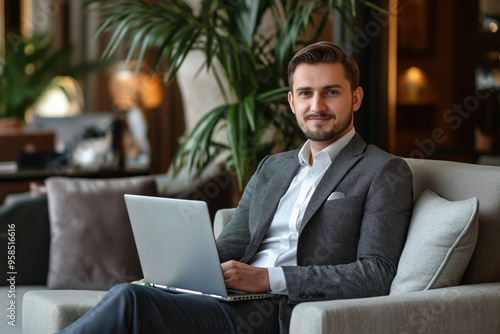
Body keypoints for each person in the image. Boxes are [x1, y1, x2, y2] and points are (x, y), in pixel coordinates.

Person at [60, 41, 413, 334]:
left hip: (279, 312)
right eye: (305, 93)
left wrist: (268, 279)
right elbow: (233, 243)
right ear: (292, 102)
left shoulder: (382, 170)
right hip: (228, 299)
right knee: (132, 294)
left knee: (130, 304)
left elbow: (376, 274)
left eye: (331, 92)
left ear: (355, 98)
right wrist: (169, 275)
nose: (316, 106)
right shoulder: (272, 167)